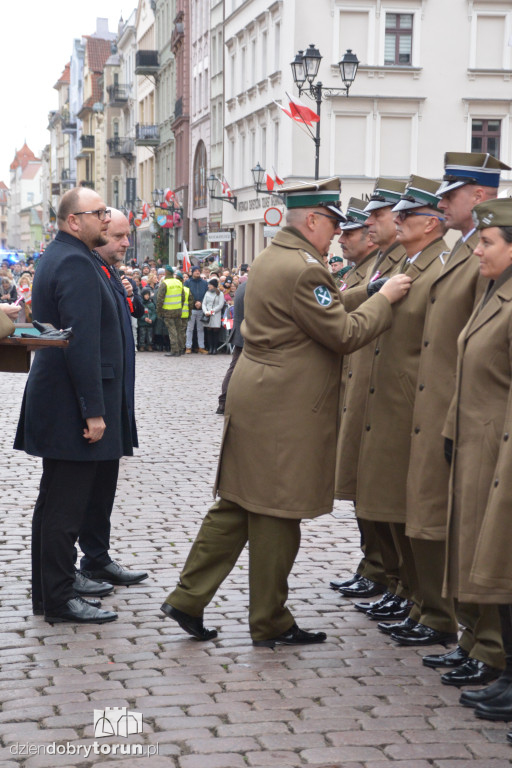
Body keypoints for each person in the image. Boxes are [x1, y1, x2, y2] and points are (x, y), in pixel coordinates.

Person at [160, 177, 411, 647]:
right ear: (312, 219)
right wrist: (384, 299)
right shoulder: (304, 269)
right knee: (277, 511)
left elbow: (318, 311)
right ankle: (269, 620)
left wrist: (366, 291)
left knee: (235, 505)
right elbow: (343, 333)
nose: (337, 231)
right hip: (285, 407)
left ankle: (187, 597)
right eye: (332, 222)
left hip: (258, 396)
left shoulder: (278, 257)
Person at [396, 155, 508, 677]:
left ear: (480, 197)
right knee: (457, 528)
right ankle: (470, 637)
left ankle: (486, 644)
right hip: (450, 412)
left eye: (452, 193)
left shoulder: (477, 255)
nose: (441, 202)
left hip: (476, 417)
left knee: (477, 534)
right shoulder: (458, 252)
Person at [13, 187, 134, 624]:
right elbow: (80, 345)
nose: (105, 218)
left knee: (53, 506)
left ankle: (50, 593)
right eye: (97, 212)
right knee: (63, 510)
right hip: (70, 404)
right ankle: (60, 598)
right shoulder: (76, 263)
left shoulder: (61, 255)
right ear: (72, 221)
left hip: (58, 398)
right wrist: (93, 410)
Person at [341, 176, 450, 646]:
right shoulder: (397, 263)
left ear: (430, 221)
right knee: (382, 499)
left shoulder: (437, 264)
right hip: (379, 398)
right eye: (392, 213)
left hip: (411, 405)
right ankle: (404, 589)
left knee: (411, 510)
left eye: (393, 213)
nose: (378, 221)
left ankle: (425, 602)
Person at [439, 199, 512, 735]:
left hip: (500, 452)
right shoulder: (495, 292)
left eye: (487, 242)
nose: (478, 250)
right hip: (480, 448)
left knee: (502, 565)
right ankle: (504, 668)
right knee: (492, 563)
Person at [332, 179, 407, 606]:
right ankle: (377, 568)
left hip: (381, 396)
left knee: (381, 494)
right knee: (365, 490)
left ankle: (390, 576)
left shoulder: (393, 265)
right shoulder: (371, 269)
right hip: (358, 390)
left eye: (354, 229)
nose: (345, 238)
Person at [75, 208, 148, 589]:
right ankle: (80, 563)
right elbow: (82, 345)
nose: (125, 243)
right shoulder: (84, 268)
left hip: (115, 395)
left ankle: (98, 557)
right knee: (83, 491)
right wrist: (94, 409)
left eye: (126, 236)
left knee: (104, 486)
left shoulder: (107, 270)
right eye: (119, 236)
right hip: (97, 401)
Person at [216, 276, 247, 415]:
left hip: (242, 332)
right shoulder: (255, 287)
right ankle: (225, 401)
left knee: (234, 368)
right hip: (249, 333)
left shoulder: (244, 286)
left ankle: (224, 401)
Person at [156, 265, 185, 357]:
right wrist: (180, 306)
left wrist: (159, 311)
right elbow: (183, 297)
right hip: (178, 309)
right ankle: (181, 348)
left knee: (172, 331)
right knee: (179, 330)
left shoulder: (165, 283)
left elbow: (160, 299)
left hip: (168, 311)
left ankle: (174, 350)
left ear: (166, 273)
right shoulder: (178, 282)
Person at [185, 265, 209, 354]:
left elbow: (207, 294)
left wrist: (201, 302)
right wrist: (194, 302)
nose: (197, 272)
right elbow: (186, 294)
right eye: (196, 271)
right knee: (189, 328)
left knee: (200, 329)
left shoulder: (204, 283)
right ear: (192, 272)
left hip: (201, 308)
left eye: (199, 271)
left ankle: (201, 347)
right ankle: (188, 346)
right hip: (191, 308)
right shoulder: (188, 282)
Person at [202, 278, 225, 354]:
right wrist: (205, 311)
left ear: (214, 286)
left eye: (210, 285)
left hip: (215, 314)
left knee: (215, 331)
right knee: (209, 331)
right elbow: (204, 303)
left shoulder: (220, 294)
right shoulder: (207, 293)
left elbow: (220, 305)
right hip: (207, 314)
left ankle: (215, 348)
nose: (208, 286)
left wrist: (211, 312)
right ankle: (210, 347)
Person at [175, 270, 193, 354]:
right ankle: (182, 347)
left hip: (175, 314)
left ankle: (177, 348)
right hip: (185, 314)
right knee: (182, 332)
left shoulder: (174, 288)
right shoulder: (187, 289)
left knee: (176, 331)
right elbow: (190, 303)